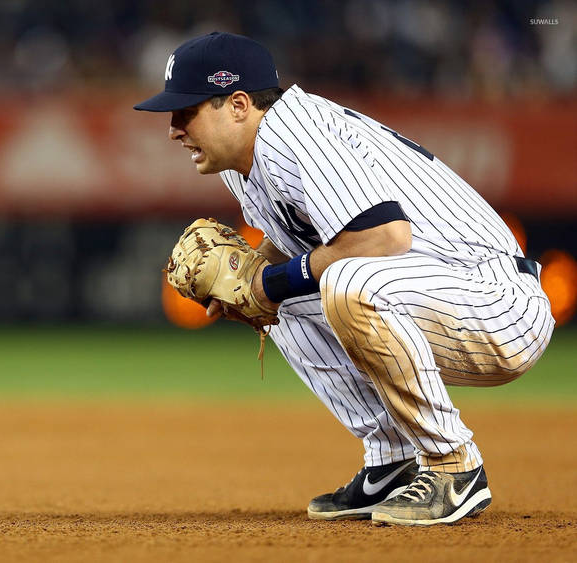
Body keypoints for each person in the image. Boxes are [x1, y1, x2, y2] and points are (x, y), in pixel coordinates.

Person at [134, 32, 554, 526]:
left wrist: (268, 282)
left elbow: (384, 237)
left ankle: (453, 466)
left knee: (346, 282)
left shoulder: (295, 134)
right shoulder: (245, 162)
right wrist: (250, 284)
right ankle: (392, 458)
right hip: (436, 292)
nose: (173, 129)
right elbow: (297, 249)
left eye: (186, 111)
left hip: (498, 301)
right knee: (285, 295)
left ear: (240, 105)